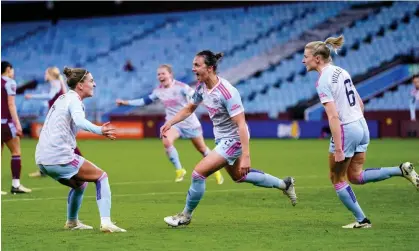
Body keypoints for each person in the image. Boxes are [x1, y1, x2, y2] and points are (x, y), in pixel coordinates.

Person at [161, 51, 297, 227]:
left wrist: (246, 154)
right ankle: (284, 184)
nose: (193, 68)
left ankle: (185, 216)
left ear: (209, 68)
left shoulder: (227, 92)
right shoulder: (201, 87)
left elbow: (241, 124)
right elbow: (189, 108)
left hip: (234, 140)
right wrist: (170, 122)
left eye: (197, 65)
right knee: (239, 176)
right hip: (223, 139)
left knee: (198, 173)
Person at [302, 35, 419, 229]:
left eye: (305, 56)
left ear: (317, 58)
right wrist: (356, 125)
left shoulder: (323, 81)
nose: (303, 60)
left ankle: (362, 220)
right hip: (361, 125)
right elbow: (360, 103)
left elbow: (333, 117)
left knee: (336, 178)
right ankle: (401, 170)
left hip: (347, 128)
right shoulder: (341, 71)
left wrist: (339, 148)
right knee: (355, 176)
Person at [35, 66, 126, 232]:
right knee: (101, 176)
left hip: (42, 159)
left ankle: (72, 222)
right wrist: (99, 130)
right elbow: (79, 120)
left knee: (80, 184)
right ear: (80, 85)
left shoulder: (62, 98)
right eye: (91, 81)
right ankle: (106, 222)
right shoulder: (74, 100)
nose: (95, 84)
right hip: (58, 156)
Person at [116, 64, 224, 184]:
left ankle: (216, 170)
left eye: (163, 73)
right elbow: (144, 101)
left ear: (170, 75)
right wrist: (125, 102)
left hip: (190, 123)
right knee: (166, 141)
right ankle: (179, 170)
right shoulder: (158, 91)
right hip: (173, 123)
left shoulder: (181, 87)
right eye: (158, 74)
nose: (160, 76)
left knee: (202, 149)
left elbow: (195, 95)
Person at [25, 67, 84, 177]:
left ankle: (80, 164)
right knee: (58, 141)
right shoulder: (58, 83)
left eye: (46, 73)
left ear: (50, 74)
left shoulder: (55, 83)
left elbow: (49, 96)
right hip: (58, 117)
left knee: (56, 141)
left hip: (58, 118)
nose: (44, 75)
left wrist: (32, 96)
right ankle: (46, 169)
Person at [1, 61, 32, 195]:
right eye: (12, 70)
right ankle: (16, 185)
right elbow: (11, 105)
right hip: (6, 123)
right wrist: (18, 124)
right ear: (8, 69)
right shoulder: (10, 83)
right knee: (16, 152)